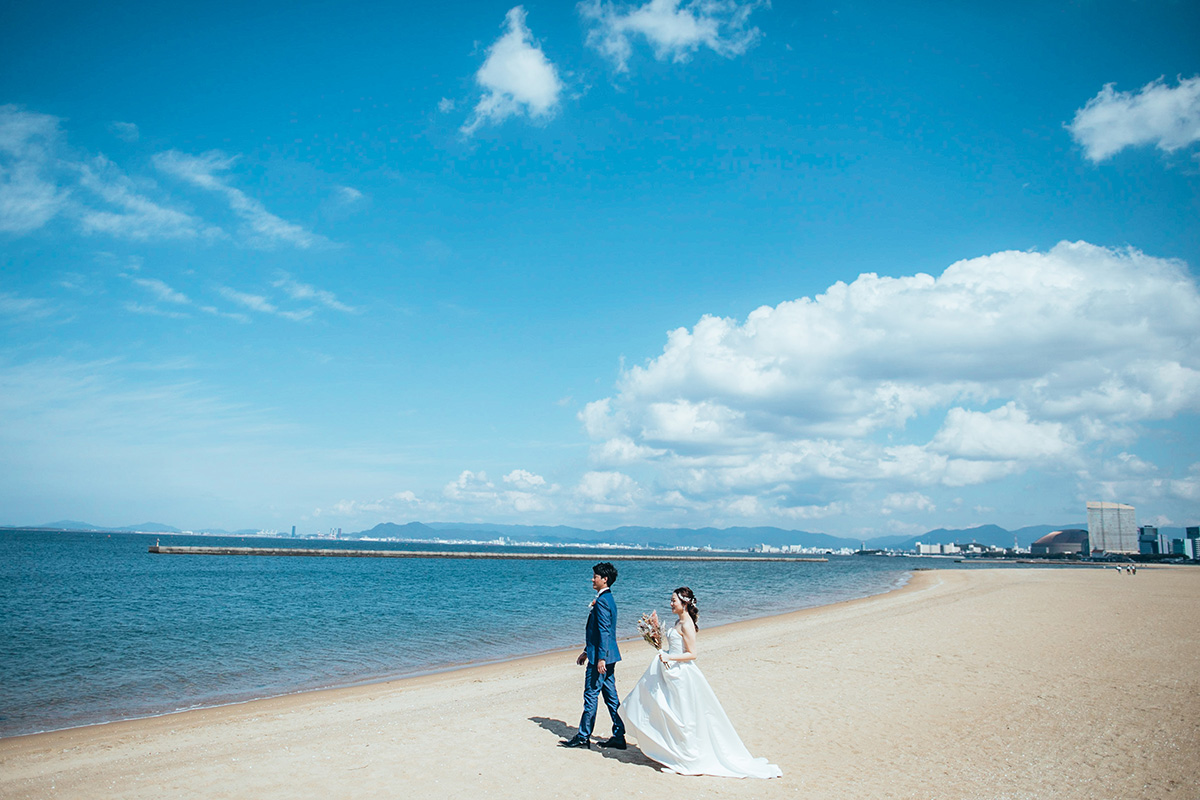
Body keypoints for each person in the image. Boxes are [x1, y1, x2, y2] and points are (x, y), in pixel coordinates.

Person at [620, 587, 781, 778]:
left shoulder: (687, 624)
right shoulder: (678, 621)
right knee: (668, 712)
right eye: (671, 600)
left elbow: (692, 654)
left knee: (683, 719)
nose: (671, 604)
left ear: (685, 603)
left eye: (674, 601)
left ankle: (687, 761)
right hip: (671, 672)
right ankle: (676, 756)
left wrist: (670, 658)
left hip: (682, 676)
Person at [560, 562, 625, 750]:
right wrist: (586, 651)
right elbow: (598, 632)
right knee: (611, 696)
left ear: (604, 580)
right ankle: (619, 734)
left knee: (590, 695)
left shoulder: (603, 601)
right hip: (607, 654)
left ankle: (583, 736)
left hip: (602, 657)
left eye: (595, 576)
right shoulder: (609, 599)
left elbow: (604, 630)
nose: (592, 579)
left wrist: (600, 658)